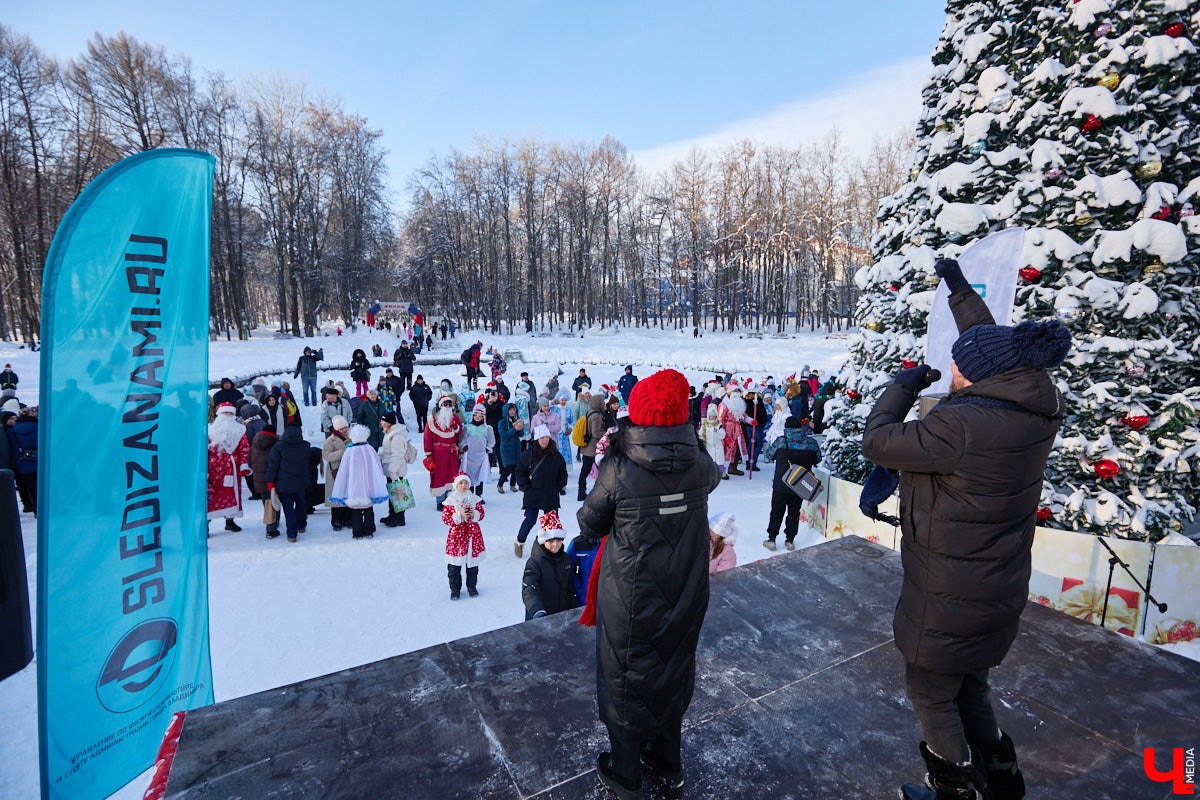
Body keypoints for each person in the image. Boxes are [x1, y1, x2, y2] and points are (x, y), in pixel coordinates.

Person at [862, 257, 1071, 800]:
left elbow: (878, 441)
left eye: (959, 365)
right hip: (996, 587)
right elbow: (988, 342)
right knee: (972, 685)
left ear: (977, 375)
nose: (952, 367)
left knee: (930, 691)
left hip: (949, 595)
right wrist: (958, 289)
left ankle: (954, 787)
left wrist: (902, 387)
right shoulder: (1033, 402)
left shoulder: (960, 424)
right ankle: (1002, 780)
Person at [575, 369, 721, 798]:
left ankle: (626, 773)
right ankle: (668, 762)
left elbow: (589, 524)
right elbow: (709, 479)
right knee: (673, 664)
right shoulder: (698, 461)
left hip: (632, 592)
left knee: (625, 672)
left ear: (638, 413)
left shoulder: (620, 467)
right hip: (686, 587)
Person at [761, 417, 821, 551]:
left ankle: (772, 539)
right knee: (794, 512)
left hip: (781, 483)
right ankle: (790, 540)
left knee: (776, 511)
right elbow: (817, 459)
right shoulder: (811, 443)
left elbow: (769, 456)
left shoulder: (781, 442)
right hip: (800, 485)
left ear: (786, 427)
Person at [513, 424, 568, 558]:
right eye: (542, 438)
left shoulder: (555, 454)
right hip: (533, 493)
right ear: (537, 439)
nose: (545, 440)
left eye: (547, 437)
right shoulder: (528, 454)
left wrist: (560, 485)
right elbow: (519, 471)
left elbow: (562, 471)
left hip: (551, 494)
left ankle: (551, 548)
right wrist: (525, 486)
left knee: (552, 523)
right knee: (530, 520)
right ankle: (519, 542)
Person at [330, 424, 389, 539]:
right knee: (368, 508)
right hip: (368, 484)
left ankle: (357, 532)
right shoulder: (370, 449)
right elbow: (377, 465)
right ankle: (369, 530)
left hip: (354, 485)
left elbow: (344, 469)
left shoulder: (349, 451)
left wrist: (343, 483)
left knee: (356, 509)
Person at [521, 510, 577, 620]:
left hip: (563, 616)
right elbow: (529, 588)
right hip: (541, 617)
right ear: (543, 541)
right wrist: (537, 611)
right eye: (551, 541)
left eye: (559, 540)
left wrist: (574, 609)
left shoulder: (566, 559)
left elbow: (570, 588)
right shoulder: (534, 562)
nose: (555, 544)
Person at [207, 403, 252, 532]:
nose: (228, 415)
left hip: (232, 468)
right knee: (212, 496)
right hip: (214, 469)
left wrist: (244, 465)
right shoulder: (210, 430)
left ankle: (230, 521)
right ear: (219, 414)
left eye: (230, 413)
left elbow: (244, 448)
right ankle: (206, 525)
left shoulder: (240, 430)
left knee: (232, 494)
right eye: (225, 413)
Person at [442, 473, 486, 599]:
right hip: (457, 537)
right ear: (456, 485)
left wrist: (474, 514)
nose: (463, 485)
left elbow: (481, 514)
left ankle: (472, 587)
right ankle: (455, 589)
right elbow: (445, 519)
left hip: (472, 535)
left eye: (466, 483)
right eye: (460, 483)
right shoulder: (450, 500)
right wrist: (459, 515)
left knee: (472, 564)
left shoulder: (474, 499)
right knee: (454, 565)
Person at [265, 425, 311, 543]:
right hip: (300, 483)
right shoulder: (305, 446)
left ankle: (292, 534)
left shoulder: (278, 447)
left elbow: (272, 466)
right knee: (301, 504)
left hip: (284, 485)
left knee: (288, 509)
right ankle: (301, 525)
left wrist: (270, 482)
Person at [378, 412, 418, 527]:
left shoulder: (397, 436)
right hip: (390, 468)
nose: (381, 422)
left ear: (389, 423)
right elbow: (386, 450)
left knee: (398, 494)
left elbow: (398, 455)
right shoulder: (390, 432)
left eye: (383, 421)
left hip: (396, 470)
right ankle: (392, 515)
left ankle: (399, 518)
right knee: (392, 493)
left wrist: (393, 470)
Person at [425, 394, 464, 510]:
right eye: (445, 404)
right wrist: (428, 454)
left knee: (451, 475)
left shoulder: (455, 418)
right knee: (439, 476)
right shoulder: (432, 420)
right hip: (438, 454)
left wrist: (456, 427)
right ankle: (440, 501)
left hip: (452, 453)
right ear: (440, 405)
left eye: (449, 404)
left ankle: (449, 499)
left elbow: (459, 434)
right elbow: (427, 437)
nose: (447, 406)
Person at [322, 417, 353, 531]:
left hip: (349, 471)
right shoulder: (330, 441)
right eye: (342, 428)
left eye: (346, 427)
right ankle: (336, 520)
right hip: (335, 471)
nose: (345, 430)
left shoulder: (352, 438)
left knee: (348, 494)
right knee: (336, 495)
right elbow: (326, 455)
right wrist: (341, 453)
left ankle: (348, 518)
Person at [459, 403, 496, 497]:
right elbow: (462, 440)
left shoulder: (487, 428)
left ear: (483, 417)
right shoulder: (467, 428)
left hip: (481, 457)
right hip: (469, 457)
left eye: (480, 415)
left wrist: (487, 448)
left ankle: (478, 496)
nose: (477, 417)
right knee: (469, 475)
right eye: (475, 415)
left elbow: (492, 441)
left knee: (480, 475)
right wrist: (464, 446)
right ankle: (470, 495)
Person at [7, 406, 37, 514]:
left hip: (22, 462)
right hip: (38, 461)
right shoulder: (39, 427)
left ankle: (32, 507)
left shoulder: (11, 431)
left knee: (28, 486)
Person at [576, 393, 606, 501]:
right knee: (603, 471)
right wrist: (607, 433)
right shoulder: (596, 416)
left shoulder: (589, 412)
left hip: (586, 448)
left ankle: (581, 492)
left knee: (584, 470)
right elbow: (596, 433)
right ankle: (601, 493)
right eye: (602, 402)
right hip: (593, 449)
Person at [717, 383, 749, 476]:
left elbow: (742, 415)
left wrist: (750, 420)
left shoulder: (738, 403)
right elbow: (720, 419)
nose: (737, 393)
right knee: (726, 449)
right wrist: (720, 432)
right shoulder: (723, 405)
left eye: (737, 391)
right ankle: (722, 471)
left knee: (737, 448)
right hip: (727, 431)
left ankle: (733, 467)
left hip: (737, 430)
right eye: (734, 391)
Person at [497, 402, 523, 493]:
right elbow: (504, 435)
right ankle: (500, 484)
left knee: (516, 468)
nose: (512, 411)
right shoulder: (502, 422)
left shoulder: (516, 419)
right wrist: (514, 429)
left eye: (513, 410)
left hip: (516, 447)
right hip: (506, 448)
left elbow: (521, 434)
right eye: (510, 410)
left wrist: (520, 428)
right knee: (508, 468)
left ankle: (512, 485)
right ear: (506, 411)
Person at [743, 386, 769, 473]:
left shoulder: (745, 399)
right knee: (758, 443)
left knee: (751, 443)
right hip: (756, 424)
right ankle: (752, 463)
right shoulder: (757, 400)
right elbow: (761, 412)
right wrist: (762, 420)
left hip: (748, 424)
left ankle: (748, 463)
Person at [698, 404, 727, 479]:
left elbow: (723, 435)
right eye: (710, 416)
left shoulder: (719, 425)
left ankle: (721, 473)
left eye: (714, 416)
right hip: (708, 447)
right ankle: (708, 473)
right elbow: (701, 435)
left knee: (719, 460)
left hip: (717, 447)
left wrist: (717, 431)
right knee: (709, 460)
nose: (712, 418)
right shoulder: (705, 425)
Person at [552, 389, 575, 467]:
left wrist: (570, 428)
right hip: (556, 434)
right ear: (559, 400)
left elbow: (571, 420)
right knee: (556, 450)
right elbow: (545, 406)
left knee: (565, 451)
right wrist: (552, 401)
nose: (563, 402)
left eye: (565, 400)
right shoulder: (554, 408)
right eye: (562, 400)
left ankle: (564, 466)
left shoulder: (568, 409)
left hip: (565, 434)